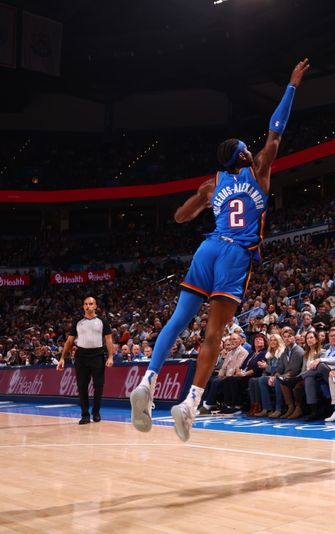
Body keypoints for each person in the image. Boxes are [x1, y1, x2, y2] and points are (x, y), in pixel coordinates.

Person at [129, 59, 310, 441]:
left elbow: (180, 216)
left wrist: (194, 207)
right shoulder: (259, 168)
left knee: (177, 321)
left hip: (207, 248)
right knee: (213, 334)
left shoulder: (213, 184)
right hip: (234, 255)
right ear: (244, 154)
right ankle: (190, 403)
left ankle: (147, 381)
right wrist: (291, 85)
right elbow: (276, 130)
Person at [56, 296, 114, 424]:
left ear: (95, 306)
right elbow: (69, 341)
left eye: (91, 303)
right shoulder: (77, 321)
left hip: (98, 355)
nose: (88, 306)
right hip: (81, 356)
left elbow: (109, 340)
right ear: (83, 306)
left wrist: (110, 356)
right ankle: (85, 415)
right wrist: (62, 358)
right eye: (86, 304)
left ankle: (96, 412)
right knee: (82, 386)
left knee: (98, 386)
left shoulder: (102, 321)